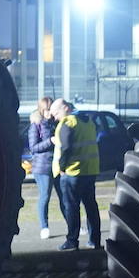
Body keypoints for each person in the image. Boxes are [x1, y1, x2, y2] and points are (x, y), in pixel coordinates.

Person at [51, 98, 101, 251]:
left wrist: (61, 167)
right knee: (91, 206)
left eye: (56, 113)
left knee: (71, 207)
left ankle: (72, 241)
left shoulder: (67, 123)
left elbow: (65, 148)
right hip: (90, 170)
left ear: (66, 108)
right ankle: (94, 240)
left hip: (72, 172)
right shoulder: (88, 122)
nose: (55, 117)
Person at [26, 96, 61, 240]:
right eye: (46, 110)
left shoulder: (55, 123)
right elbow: (33, 147)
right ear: (41, 110)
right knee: (45, 196)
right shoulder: (36, 125)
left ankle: (73, 226)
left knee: (64, 196)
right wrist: (50, 141)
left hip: (57, 164)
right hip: (43, 167)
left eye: (50, 109)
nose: (48, 113)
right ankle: (44, 226)